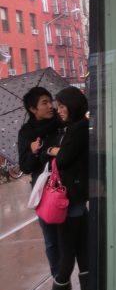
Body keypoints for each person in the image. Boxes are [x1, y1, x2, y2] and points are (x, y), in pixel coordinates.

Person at [30, 87, 89, 290]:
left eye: (62, 106)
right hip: (74, 196)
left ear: (73, 105)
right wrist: (54, 150)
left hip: (70, 197)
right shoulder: (73, 127)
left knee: (66, 247)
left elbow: (63, 159)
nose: (59, 110)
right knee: (81, 246)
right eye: (58, 106)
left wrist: (52, 150)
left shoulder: (78, 128)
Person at [18, 87, 61, 277]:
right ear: (32, 108)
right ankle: (59, 281)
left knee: (74, 238)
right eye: (44, 103)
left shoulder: (61, 122)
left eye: (50, 101)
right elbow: (25, 167)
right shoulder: (26, 133)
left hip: (67, 186)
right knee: (51, 240)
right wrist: (34, 151)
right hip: (44, 191)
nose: (50, 105)